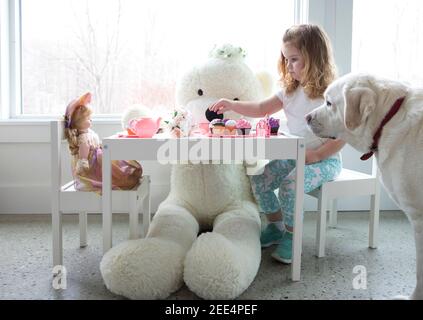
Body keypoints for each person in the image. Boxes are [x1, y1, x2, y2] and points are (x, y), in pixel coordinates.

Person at [209, 24, 346, 264]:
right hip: (296, 155)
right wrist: (231, 104)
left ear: (314, 58)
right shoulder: (289, 91)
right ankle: (276, 226)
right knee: (259, 179)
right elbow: (261, 109)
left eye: (294, 59)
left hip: (325, 160)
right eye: (286, 59)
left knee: (290, 186)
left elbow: (342, 135)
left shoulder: (331, 93)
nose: (289, 65)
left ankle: (293, 238)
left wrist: (317, 155)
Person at [64, 92, 142, 193]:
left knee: (116, 162)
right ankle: (120, 179)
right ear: (78, 122)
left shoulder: (89, 133)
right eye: (87, 118)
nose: (90, 120)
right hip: (94, 165)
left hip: (99, 158)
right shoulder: (83, 138)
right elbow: (83, 153)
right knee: (113, 169)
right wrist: (83, 165)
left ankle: (123, 177)